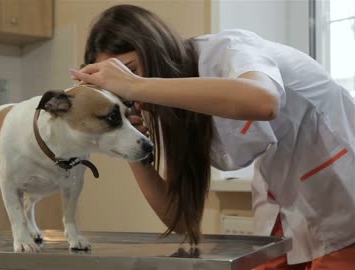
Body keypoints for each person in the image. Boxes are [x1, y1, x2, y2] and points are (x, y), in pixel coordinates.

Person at [70, 4, 355, 270]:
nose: (127, 91)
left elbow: (264, 102)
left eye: (130, 70)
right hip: (285, 198)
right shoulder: (174, 110)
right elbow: (179, 219)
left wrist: (135, 86)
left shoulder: (227, 50)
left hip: (340, 187)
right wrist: (132, 149)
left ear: (154, 48)